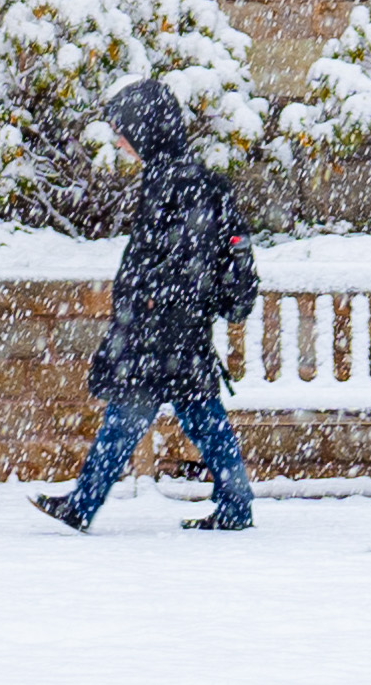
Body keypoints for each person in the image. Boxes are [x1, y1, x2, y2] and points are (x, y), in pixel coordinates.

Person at [39, 75, 258, 532]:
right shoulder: (186, 180)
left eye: (124, 130)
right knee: (198, 419)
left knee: (132, 416)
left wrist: (148, 309)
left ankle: (83, 505)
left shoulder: (170, 185)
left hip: (163, 332)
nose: (119, 141)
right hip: (179, 331)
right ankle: (236, 505)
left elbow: (175, 260)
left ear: (145, 130)